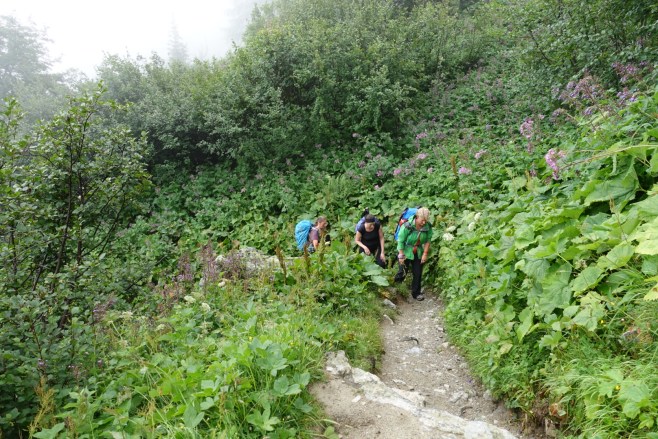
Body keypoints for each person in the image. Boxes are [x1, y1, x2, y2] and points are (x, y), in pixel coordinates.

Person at [396, 207, 433, 301]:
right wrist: (401, 255)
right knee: (402, 271)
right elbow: (400, 241)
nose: (423, 223)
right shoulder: (407, 226)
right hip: (405, 250)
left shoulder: (427, 226)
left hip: (418, 251)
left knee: (418, 273)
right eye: (422, 220)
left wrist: (425, 254)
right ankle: (396, 289)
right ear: (417, 217)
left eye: (425, 221)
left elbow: (428, 240)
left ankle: (416, 293)